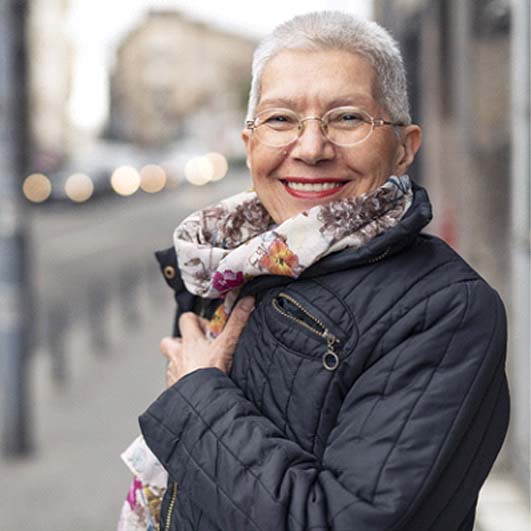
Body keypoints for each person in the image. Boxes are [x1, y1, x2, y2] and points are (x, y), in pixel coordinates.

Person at [137, 11, 510, 531]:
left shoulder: (446, 309)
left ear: (405, 148)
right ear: (250, 146)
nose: (311, 148)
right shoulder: (227, 263)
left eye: (348, 118)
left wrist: (197, 394)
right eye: (281, 120)